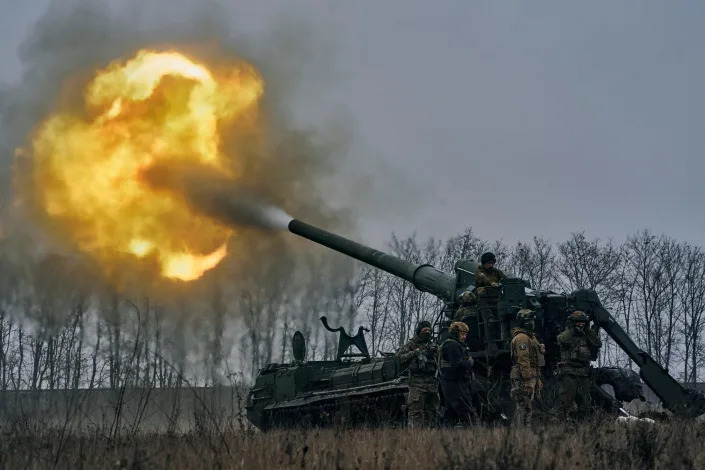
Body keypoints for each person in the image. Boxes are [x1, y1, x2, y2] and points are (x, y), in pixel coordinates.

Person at [556, 310, 602, 420]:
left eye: (583, 322)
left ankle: (583, 427)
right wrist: (572, 329)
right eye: (578, 322)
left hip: (583, 373)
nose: (580, 324)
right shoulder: (567, 333)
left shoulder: (587, 335)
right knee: (565, 402)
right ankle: (560, 427)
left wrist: (588, 330)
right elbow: (562, 339)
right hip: (569, 373)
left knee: (585, 402)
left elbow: (597, 343)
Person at [396, 320, 440, 427]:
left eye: (429, 330)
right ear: (419, 331)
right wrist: (415, 352)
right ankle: (416, 438)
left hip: (432, 383)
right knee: (416, 412)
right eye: (425, 330)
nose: (427, 332)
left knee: (432, 412)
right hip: (417, 383)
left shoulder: (433, 345)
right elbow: (399, 357)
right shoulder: (412, 344)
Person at [510, 309, 545, 425]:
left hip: (531, 375)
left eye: (532, 320)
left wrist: (537, 379)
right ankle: (520, 434)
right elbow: (523, 360)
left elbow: (535, 360)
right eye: (528, 321)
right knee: (524, 407)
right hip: (524, 377)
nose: (531, 323)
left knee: (527, 407)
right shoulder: (522, 338)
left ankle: (524, 432)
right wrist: (527, 380)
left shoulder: (531, 337)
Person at [439, 322, 475, 425]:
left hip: (453, 382)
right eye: (462, 334)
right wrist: (470, 362)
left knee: (451, 412)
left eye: (465, 334)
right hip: (455, 382)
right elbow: (457, 365)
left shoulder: (454, 344)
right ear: (456, 333)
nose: (464, 337)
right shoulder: (452, 345)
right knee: (465, 411)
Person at [474, 252, 507, 347]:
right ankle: (491, 344)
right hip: (484, 301)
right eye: (489, 263)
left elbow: (504, 278)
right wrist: (491, 283)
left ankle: (499, 343)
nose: (491, 265)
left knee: (498, 321)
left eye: (492, 263)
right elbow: (482, 278)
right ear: (484, 263)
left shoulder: (496, 272)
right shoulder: (479, 271)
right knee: (490, 321)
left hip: (496, 300)